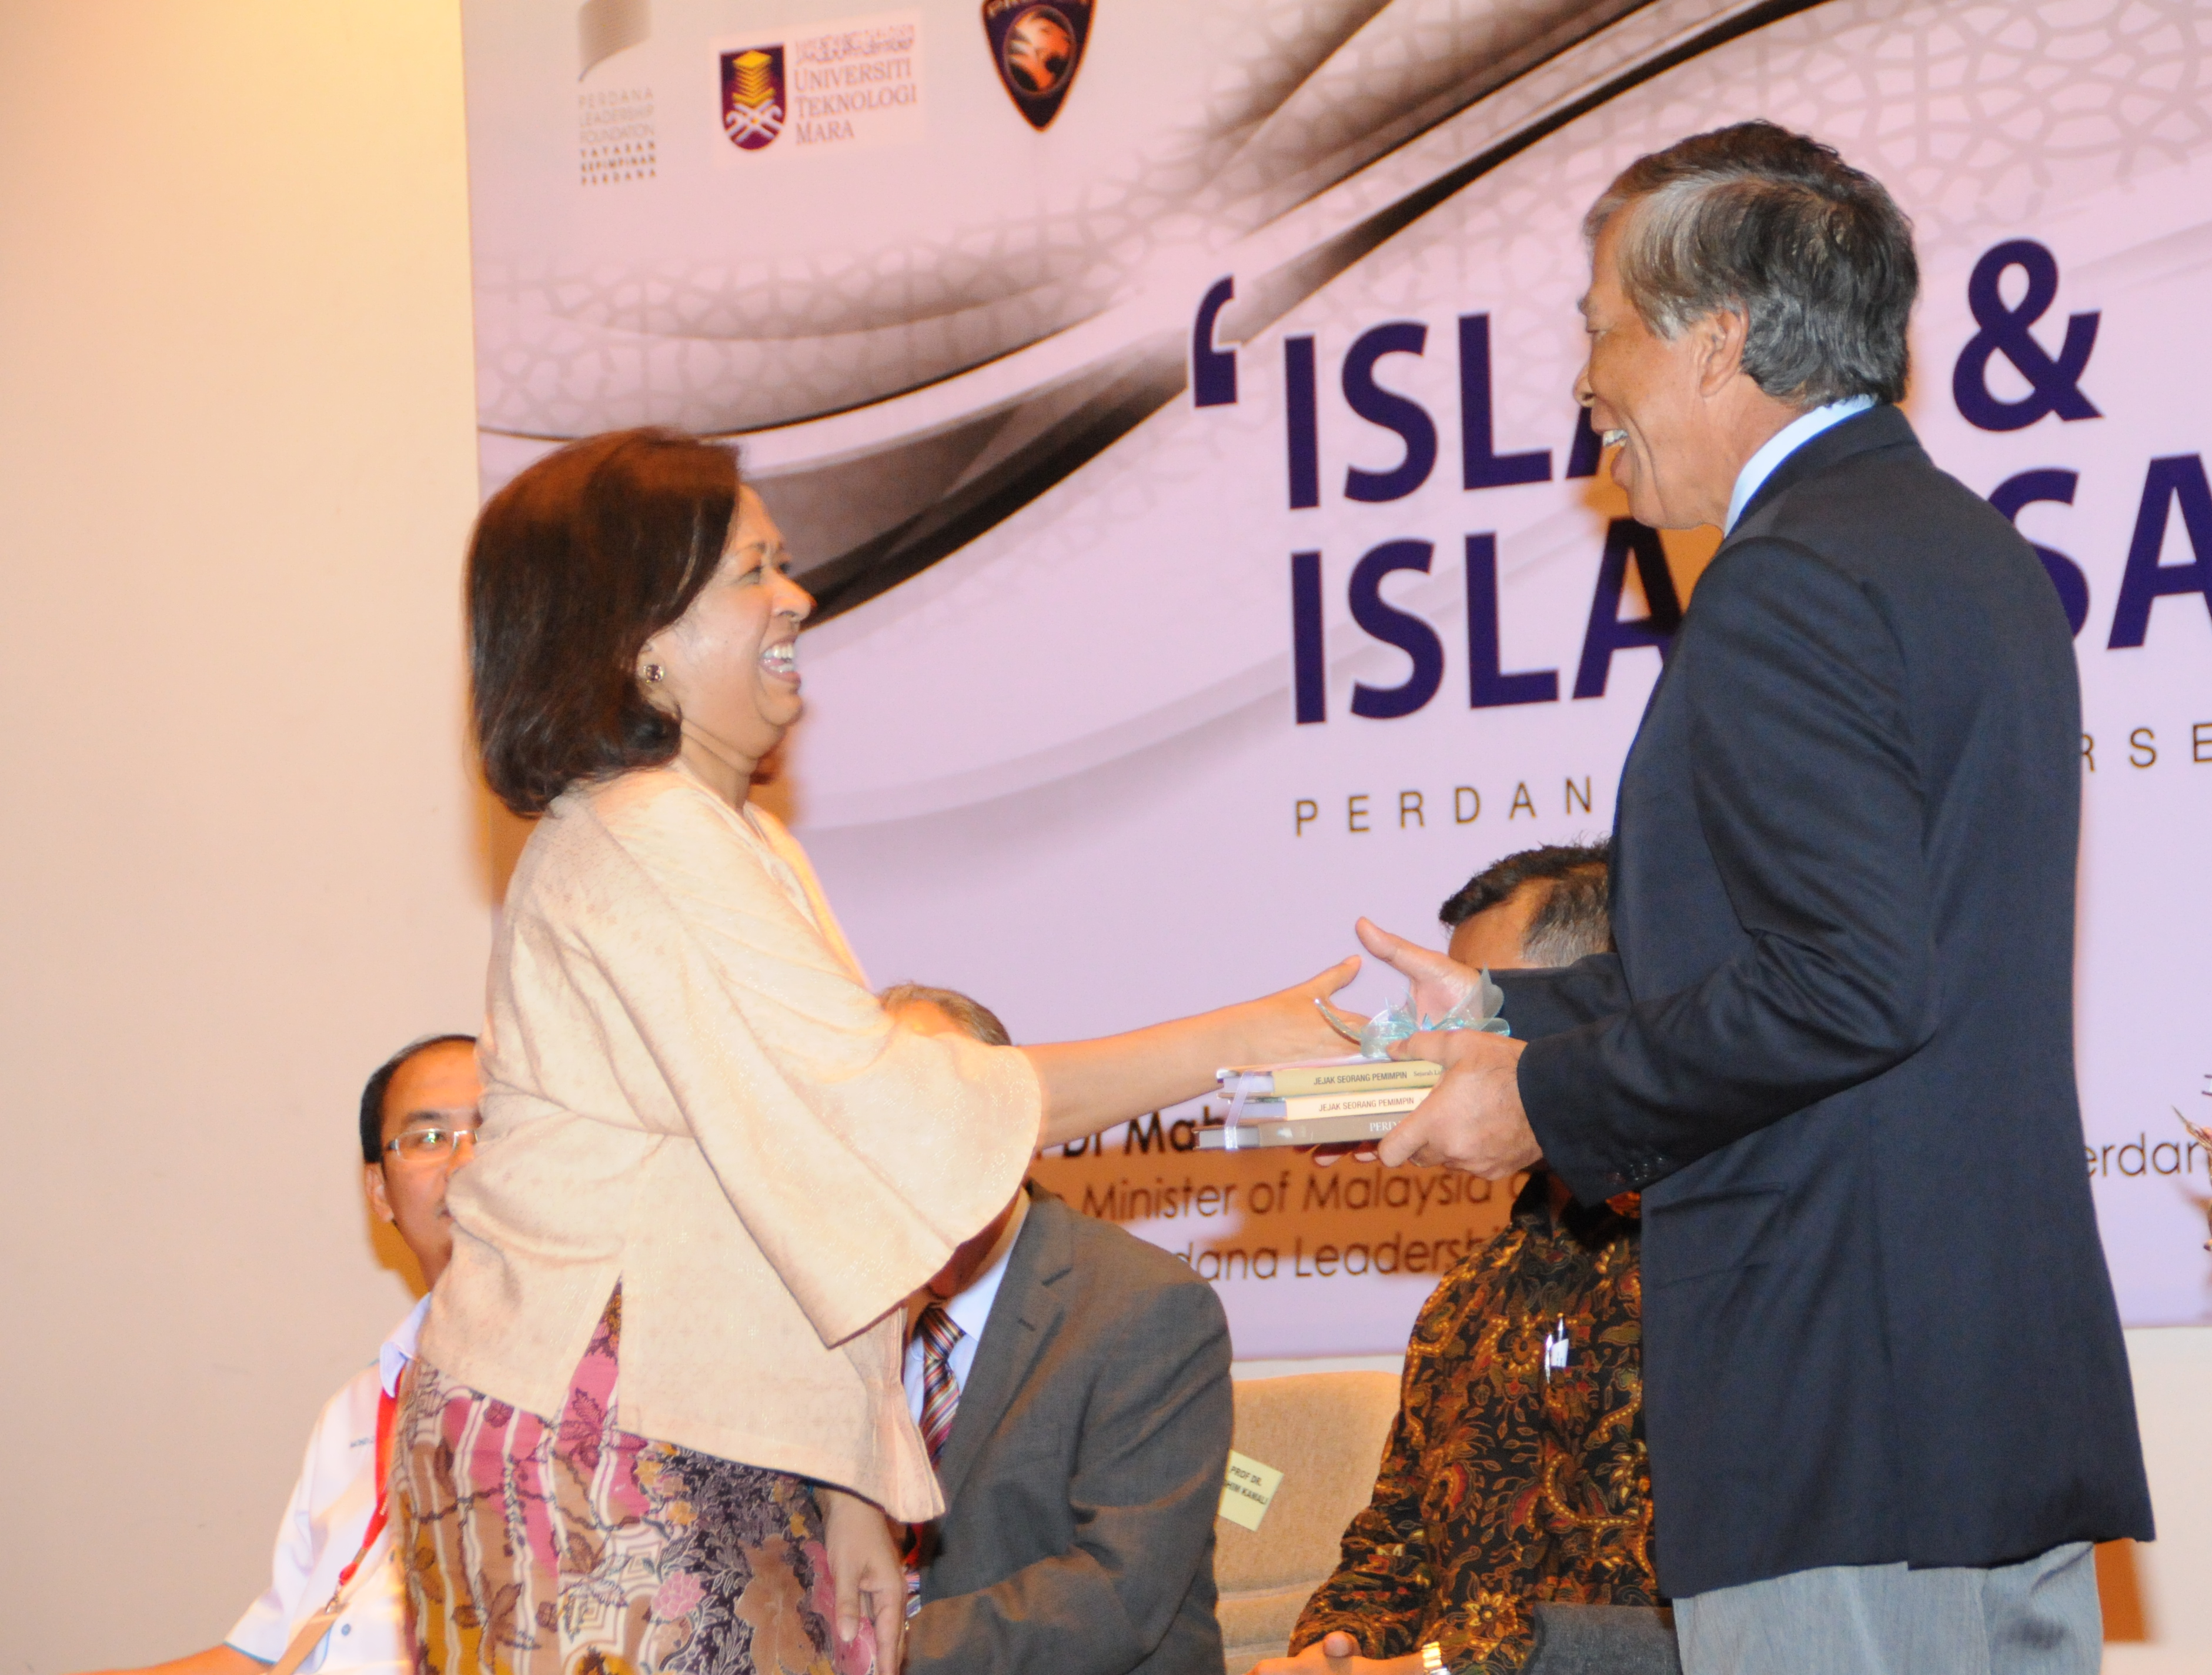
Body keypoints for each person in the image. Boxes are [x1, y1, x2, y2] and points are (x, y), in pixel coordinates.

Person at [1352, 123, 2153, 1674]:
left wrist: (1542, 1101)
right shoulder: (1958, 550)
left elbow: (1847, 981)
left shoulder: (1786, 579)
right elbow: (1822, 944)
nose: (1583, 382)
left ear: (1713, 341)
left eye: (1600, 328)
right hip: (1971, 1392)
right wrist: (1507, 1008)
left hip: (1840, 1405)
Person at [406, 428, 1352, 1675]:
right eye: (752, 572)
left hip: (711, 1417)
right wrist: (1236, 1041)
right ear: (642, 643)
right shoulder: (646, 835)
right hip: (610, 1428)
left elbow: (822, 1197)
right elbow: (897, 1122)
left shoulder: (733, 836)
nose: (797, 597)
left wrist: (853, 1479)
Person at [1265, 844, 1656, 1675]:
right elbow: (1394, 1540)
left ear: (1595, 1006)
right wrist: (1333, 1653)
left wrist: (1442, 1670)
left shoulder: (1707, 1267)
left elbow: (1688, 1615)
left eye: (1481, 1013)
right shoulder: (1470, 1296)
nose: (1437, 1048)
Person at [77, 1035, 482, 1675]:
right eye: (428, 1138)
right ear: (379, 1192)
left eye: (494, 1130)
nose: (465, 1160)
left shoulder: (607, 1396)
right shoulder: (356, 1409)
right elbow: (262, 1658)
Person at [871, 983, 1235, 1675]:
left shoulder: (1147, 1308)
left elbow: (1117, 1593)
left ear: (1012, 1131)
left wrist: (870, 1646)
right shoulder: (842, 1307)